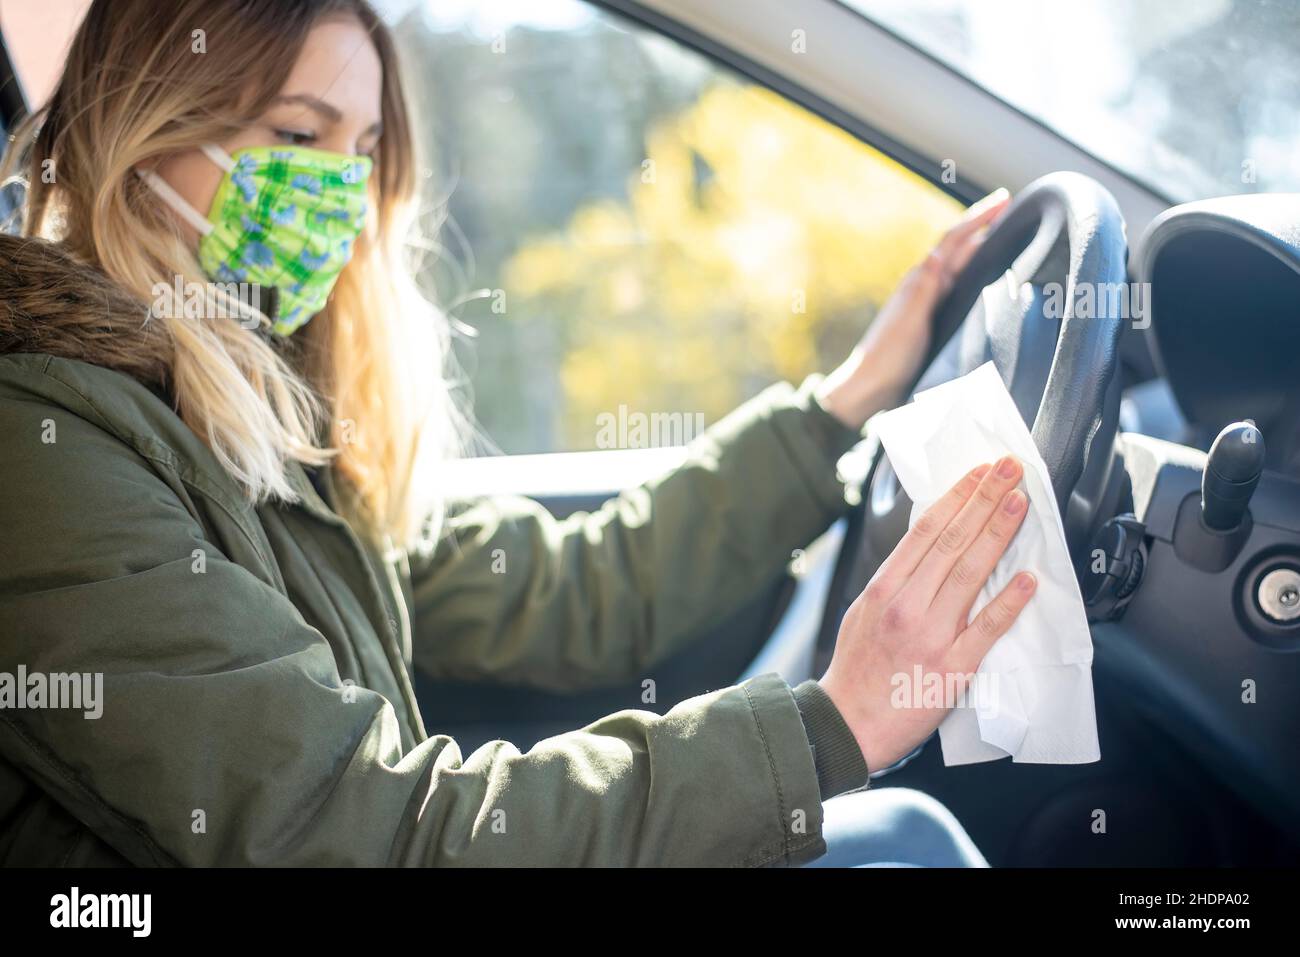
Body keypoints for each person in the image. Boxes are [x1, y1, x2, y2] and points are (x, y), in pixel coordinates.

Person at [0, 0, 1031, 867]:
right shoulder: (45, 451)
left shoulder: (265, 421)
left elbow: (577, 588)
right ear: (141, 128)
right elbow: (360, 827)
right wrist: (829, 728)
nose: (341, 199)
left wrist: (840, 406)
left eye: (362, 153)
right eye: (298, 135)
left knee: (900, 837)